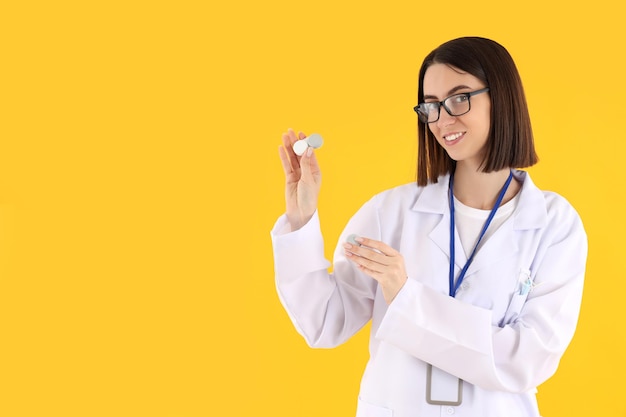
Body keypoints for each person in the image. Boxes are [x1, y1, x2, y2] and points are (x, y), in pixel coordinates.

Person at [270, 37, 587, 417]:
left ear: (501, 97)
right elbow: (323, 323)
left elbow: (527, 359)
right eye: (431, 106)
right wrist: (301, 218)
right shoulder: (392, 211)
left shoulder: (555, 226)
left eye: (459, 98)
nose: (442, 120)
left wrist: (406, 296)